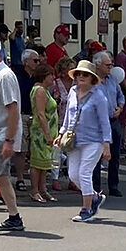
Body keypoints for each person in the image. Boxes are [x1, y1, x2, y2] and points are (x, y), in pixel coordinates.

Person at [55, 60, 112, 222]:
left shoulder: (99, 96)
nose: (81, 77)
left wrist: (106, 144)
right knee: (73, 175)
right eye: (78, 74)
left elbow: (104, 122)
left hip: (94, 141)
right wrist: (61, 133)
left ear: (92, 78)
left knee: (84, 173)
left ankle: (86, 209)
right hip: (74, 140)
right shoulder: (72, 91)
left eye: (85, 74)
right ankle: (94, 197)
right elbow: (68, 115)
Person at [0, 38, 25, 231]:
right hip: (0, 134)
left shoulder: (4, 76)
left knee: (1, 176)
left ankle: (15, 217)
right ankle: (14, 217)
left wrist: (9, 140)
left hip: (1, 134)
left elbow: (13, 109)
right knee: (1, 176)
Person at [91, 52, 125, 197]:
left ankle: (113, 185)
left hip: (113, 121)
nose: (111, 67)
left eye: (111, 64)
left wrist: (120, 107)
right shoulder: (91, 81)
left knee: (115, 155)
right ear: (98, 65)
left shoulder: (112, 80)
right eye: (108, 65)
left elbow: (120, 96)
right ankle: (96, 188)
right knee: (96, 156)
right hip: (97, 124)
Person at [28, 64, 59, 203]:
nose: (53, 78)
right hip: (40, 132)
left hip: (48, 131)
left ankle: (43, 189)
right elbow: (40, 114)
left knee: (45, 162)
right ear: (44, 76)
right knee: (37, 162)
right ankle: (35, 190)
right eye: (51, 75)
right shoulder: (39, 90)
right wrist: (47, 134)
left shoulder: (45, 90)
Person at [13, 49, 39, 192]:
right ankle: (20, 178)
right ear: (26, 62)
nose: (37, 63)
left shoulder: (36, 77)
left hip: (34, 113)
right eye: (35, 60)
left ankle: (35, 181)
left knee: (33, 149)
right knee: (21, 149)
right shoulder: (17, 75)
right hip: (21, 114)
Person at [50, 57, 78, 192]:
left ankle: (72, 180)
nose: (73, 70)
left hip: (73, 123)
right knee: (57, 152)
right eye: (70, 67)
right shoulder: (55, 84)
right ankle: (55, 179)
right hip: (57, 122)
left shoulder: (77, 85)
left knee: (72, 152)